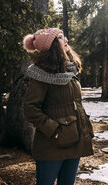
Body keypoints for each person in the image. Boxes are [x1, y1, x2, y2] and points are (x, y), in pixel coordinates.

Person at [23, 28, 94, 185]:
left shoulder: (69, 70)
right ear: (53, 45)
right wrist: (54, 130)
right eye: (61, 37)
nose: (66, 39)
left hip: (75, 139)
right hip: (52, 144)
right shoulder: (41, 75)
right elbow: (30, 108)